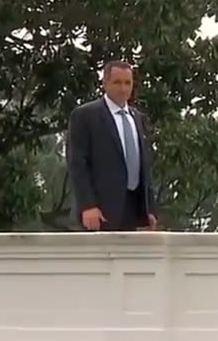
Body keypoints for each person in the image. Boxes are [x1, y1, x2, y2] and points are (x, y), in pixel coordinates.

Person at [66, 60, 159, 231]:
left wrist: (150, 209)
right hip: (99, 212)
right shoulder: (85, 115)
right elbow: (77, 163)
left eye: (127, 83)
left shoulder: (137, 118)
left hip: (133, 210)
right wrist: (88, 206)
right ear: (105, 83)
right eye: (117, 82)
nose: (123, 89)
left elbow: (144, 166)